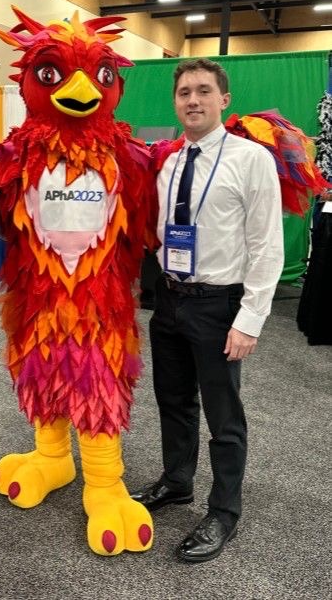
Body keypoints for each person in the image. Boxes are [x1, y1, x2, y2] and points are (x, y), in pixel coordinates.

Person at [130, 58, 284, 562]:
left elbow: (267, 246)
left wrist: (249, 318)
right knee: (173, 401)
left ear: (224, 100)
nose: (192, 100)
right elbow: (159, 231)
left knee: (224, 415)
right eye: (184, 92)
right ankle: (177, 482)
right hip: (170, 299)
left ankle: (224, 511)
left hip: (221, 304)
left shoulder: (250, 159)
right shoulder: (169, 161)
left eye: (203, 91)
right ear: (174, 101)